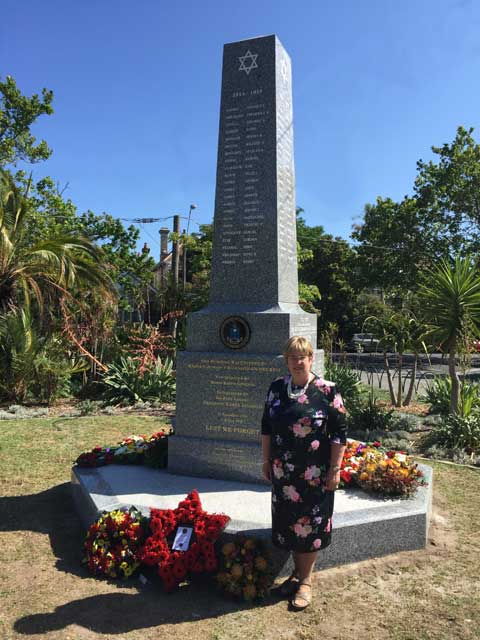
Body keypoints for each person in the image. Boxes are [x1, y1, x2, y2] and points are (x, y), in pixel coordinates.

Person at [261, 336, 347, 610]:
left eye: (302, 357)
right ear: (286, 360)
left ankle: (306, 582)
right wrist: (266, 461)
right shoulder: (277, 388)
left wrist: (335, 470)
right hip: (283, 474)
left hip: (315, 475)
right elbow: (266, 427)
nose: (297, 362)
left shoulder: (327, 391)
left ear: (311, 358)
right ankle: (297, 575)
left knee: (309, 527)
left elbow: (339, 434)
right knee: (289, 525)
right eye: (292, 357)